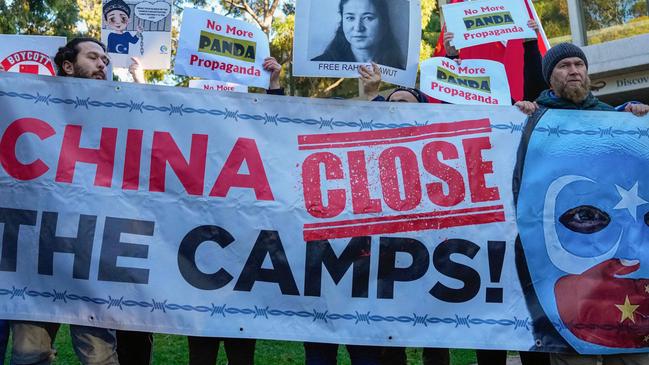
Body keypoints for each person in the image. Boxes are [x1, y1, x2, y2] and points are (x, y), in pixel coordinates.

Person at [6, 37, 144, 365]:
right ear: (68, 66)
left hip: (92, 257)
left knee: (99, 357)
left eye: (105, 61)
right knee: (29, 356)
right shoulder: (28, 106)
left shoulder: (117, 113)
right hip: (35, 258)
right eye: (93, 57)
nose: (102, 65)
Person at [513, 43, 648, 365]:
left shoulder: (612, 117)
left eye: (578, 64)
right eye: (564, 66)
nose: (573, 70)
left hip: (620, 259)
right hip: (565, 265)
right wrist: (516, 119)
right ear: (550, 78)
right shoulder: (534, 118)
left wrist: (635, 118)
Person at [312, 0, 406, 70]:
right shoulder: (318, 64)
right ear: (342, 21)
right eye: (350, 18)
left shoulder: (398, 67)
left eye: (368, 18)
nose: (358, 28)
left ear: (384, 21)